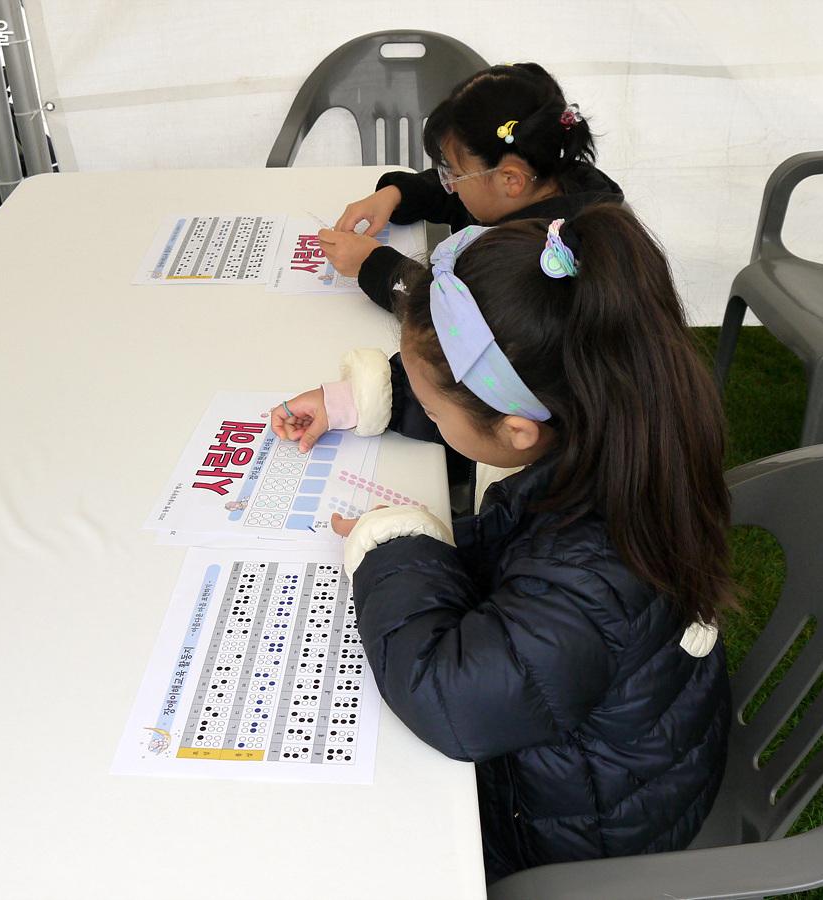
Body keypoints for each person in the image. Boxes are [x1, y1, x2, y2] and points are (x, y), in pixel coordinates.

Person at [272, 202, 734, 883]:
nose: (426, 411)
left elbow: (450, 699)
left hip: (583, 838)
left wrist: (392, 547)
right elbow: (464, 398)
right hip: (608, 761)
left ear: (520, 430)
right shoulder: (617, 419)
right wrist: (353, 401)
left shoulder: (587, 576)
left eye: (430, 409)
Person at [317, 62, 624, 315]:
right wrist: (397, 194)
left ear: (511, 179)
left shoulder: (538, 261)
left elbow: (455, 319)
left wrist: (372, 265)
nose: (448, 183)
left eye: (454, 172)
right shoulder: (552, 176)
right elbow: (462, 196)